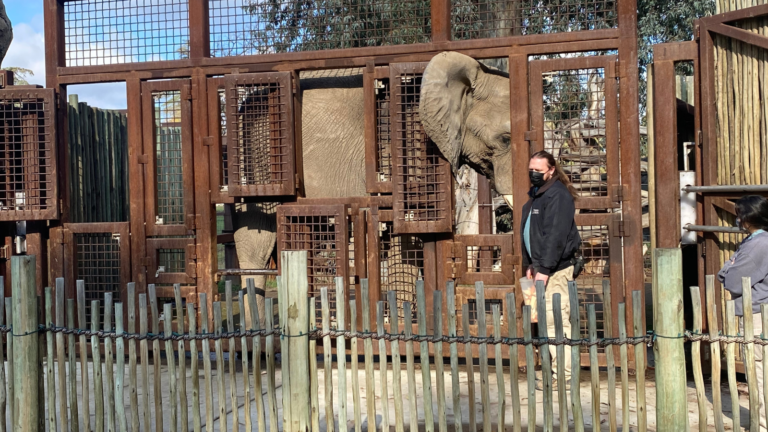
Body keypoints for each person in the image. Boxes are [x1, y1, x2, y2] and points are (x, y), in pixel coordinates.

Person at [521, 150, 581, 389]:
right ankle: (552, 371)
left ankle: (564, 377)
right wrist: (530, 264)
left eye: (539, 170)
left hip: (555, 271)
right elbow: (531, 232)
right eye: (531, 170)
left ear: (551, 170)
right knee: (543, 321)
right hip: (539, 269)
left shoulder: (558, 196)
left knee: (557, 321)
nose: (534, 174)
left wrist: (544, 268)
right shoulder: (537, 195)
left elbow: (555, 235)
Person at [717, 195, 768, 431]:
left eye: (739, 214)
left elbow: (733, 281)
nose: (737, 218)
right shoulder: (756, 241)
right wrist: (730, 266)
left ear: (747, 217)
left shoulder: (759, 244)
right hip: (758, 312)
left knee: (759, 373)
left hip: (757, 314)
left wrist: (729, 266)